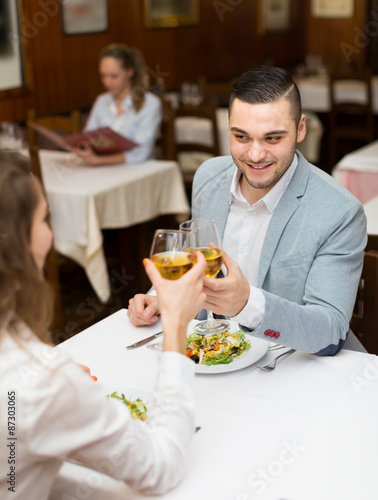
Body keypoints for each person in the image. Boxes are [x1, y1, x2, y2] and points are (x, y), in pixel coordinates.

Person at [0, 152, 207, 499]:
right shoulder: (41, 382)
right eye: (45, 218)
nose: (51, 233)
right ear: (20, 243)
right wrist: (175, 326)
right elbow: (160, 468)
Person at [128, 66, 367, 356]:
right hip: (216, 356)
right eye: (241, 137)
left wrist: (247, 304)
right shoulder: (208, 177)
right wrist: (159, 298)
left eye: (273, 138)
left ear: (300, 128)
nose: (255, 155)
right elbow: (196, 263)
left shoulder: (339, 211)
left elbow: (330, 332)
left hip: (296, 368)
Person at [71, 43, 162, 166]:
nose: (107, 82)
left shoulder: (150, 104)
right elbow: (89, 137)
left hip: (139, 170)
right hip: (106, 170)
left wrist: (98, 160)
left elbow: (141, 153)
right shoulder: (101, 101)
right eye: (103, 76)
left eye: (114, 76)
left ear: (130, 72)